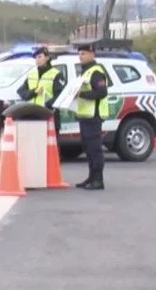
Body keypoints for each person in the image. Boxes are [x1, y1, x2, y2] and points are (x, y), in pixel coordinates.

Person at [73, 42, 109, 190]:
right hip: (85, 115)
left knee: (95, 149)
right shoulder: (85, 71)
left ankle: (98, 180)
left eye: (83, 53)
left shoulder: (96, 72)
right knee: (88, 149)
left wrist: (82, 94)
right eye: (79, 54)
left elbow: (102, 92)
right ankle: (91, 177)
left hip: (94, 116)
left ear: (92, 54)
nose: (80, 56)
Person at [16, 46, 66, 136]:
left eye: (40, 57)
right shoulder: (32, 74)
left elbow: (60, 95)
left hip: (49, 116)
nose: (37, 60)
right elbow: (21, 92)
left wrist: (46, 106)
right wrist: (33, 92)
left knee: (50, 147)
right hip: (33, 117)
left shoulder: (56, 74)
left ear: (47, 58)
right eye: (36, 58)